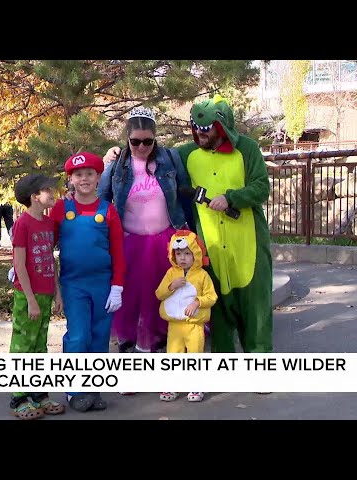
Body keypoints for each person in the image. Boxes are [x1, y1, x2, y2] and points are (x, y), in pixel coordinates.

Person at [107, 95, 273, 355]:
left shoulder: (241, 149)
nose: (199, 133)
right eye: (195, 127)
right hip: (194, 245)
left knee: (253, 308)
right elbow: (113, 187)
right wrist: (113, 153)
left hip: (240, 243)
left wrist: (231, 198)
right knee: (213, 306)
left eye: (205, 129)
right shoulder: (171, 156)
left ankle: (259, 360)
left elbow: (261, 186)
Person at [97, 106, 192, 356]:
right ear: (127, 139)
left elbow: (185, 196)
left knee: (165, 304)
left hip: (166, 244)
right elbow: (101, 200)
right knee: (131, 308)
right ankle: (131, 364)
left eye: (147, 141)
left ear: (155, 137)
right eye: (135, 141)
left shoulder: (170, 159)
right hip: (130, 246)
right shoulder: (116, 165)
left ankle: (163, 362)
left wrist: (193, 236)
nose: (141, 147)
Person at [49, 152, 126, 412]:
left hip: (103, 285)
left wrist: (117, 287)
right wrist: (23, 264)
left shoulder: (109, 210)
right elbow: (44, 241)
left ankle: (93, 389)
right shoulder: (61, 208)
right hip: (74, 285)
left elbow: (118, 251)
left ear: (97, 178)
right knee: (79, 336)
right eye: (78, 175)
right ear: (71, 179)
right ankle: (75, 391)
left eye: (89, 174)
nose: (84, 179)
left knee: (99, 338)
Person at [9, 173, 66, 420]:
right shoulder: (23, 224)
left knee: (40, 346)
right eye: (48, 190)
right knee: (23, 345)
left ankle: (39, 394)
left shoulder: (47, 223)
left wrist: (57, 292)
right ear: (35, 197)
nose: (53, 194)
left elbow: (50, 261)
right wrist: (31, 300)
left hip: (44, 293)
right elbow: (19, 265)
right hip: (27, 296)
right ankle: (18, 398)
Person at [155, 230, 217, 403]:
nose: (182, 258)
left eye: (187, 253)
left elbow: (212, 297)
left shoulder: (202, 275)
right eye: (179, 253)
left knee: (195, 354)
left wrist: (197, 302)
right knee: (173, 355)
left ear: (195, 254)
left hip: (194, 326)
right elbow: (159, 294)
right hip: (175, 325)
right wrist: (171, 286)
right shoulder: (170, 274)